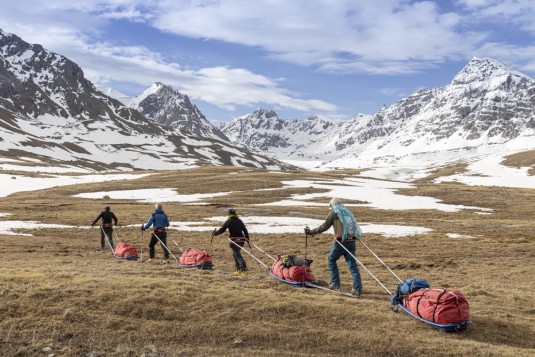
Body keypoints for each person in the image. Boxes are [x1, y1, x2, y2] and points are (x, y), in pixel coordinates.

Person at [305, 197, 363, 296]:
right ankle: (357, 289)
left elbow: (324, 226)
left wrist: (311, 232)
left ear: (333, 205)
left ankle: (335, 283)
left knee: (331, 260)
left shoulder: (334, 213)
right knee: (353, 266)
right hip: (351, 241)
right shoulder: (347, 212)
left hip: (340, 242)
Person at [212, 208, 249, 276]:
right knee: (235, 254)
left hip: (233, 241)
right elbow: (245, 230)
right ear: (235, 214)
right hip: (241, 241)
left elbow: (222, 230)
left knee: (237, 254)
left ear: (229, 214)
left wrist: (215, 234)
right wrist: (247, 239)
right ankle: (238, 270)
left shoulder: (229, 221)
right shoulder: (240, 221)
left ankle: (244, 270)